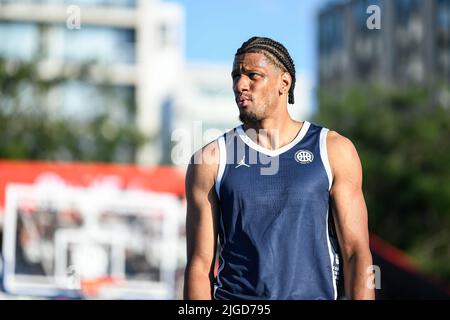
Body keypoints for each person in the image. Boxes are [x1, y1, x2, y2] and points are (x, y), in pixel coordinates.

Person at [184, 36, 375, 300]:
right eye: (236, 76)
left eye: (253, 75)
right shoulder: (210, 160)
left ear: (284, 83)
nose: (240, 85)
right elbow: (198, 264)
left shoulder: (333, 149)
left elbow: (356, 252)